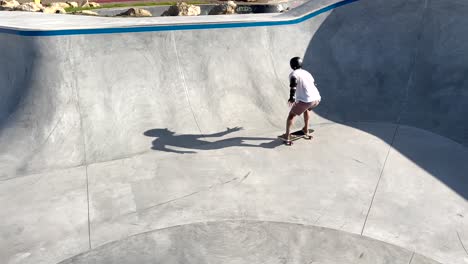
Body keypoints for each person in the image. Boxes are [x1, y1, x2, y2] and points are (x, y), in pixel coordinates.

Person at [280, 57, 321, 145]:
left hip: (306, 100)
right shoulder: (307, 73)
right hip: (316, 98)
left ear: (292, 65)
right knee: (306, 109)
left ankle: (287, 137)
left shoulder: (294, 74)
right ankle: (306, 129)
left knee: (291, 115)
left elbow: (293, 85)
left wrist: (291, 98)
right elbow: (314, 84)